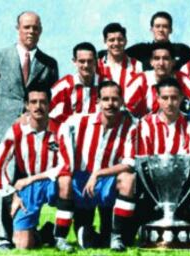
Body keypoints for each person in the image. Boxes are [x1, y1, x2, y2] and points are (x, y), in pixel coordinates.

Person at [0, 11, 58, 250]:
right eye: (26, 27)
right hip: (0, 130)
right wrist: (4, 115)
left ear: (41, 30)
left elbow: (48, 99)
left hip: (32, 136)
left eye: (35, 28)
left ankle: (28, 231)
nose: (31, 32)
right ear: (17, 28)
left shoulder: (48, 63)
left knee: (25, 185)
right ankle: (1, 238)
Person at [111, 77, 190, 251]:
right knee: (126, 178)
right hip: (149, 188)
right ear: (157, 99)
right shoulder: (143, 125)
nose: (170, 103)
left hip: (181, 188)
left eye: (174, 98)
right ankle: (118, 235)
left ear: (182, 98)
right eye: (165, 98)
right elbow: (135, 160)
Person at [55, 80, 137, 249]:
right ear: (97, 102)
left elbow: (129, 163)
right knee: (65, 181)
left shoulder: (130, 125)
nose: (110, 104)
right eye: (105, 99)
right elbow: (58, 127)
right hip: (81, 180)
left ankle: (116, 236)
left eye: (115, 99)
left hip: (107, 181)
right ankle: (60, 237)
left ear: (122, 101)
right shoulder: (78, 122)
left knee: (128, 178)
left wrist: (98, 173)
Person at [0, 84, 73, 252]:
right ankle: (44, 234)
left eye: (43, 102)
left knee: (66, 180)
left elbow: (66, 165)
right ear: (26, 105)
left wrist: (31, 178)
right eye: (33, 102)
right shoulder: (16, 131)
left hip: (51, 182)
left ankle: (60, 237)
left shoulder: (61, 128)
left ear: (50, 104)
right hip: (28, 188)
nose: (38, 106)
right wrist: (12, 196)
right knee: (23, 245)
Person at [125, 42, 190, 123]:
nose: (161, 63)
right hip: (147, 127)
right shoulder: (141, 80)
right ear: (151, 62)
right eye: (157, 58)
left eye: (166, 59)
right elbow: (125, 110)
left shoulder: (181, 78)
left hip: (175, 126)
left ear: (173, 62)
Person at [49, 42, 100, 133]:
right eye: (82, 61)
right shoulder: (63, 87)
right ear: (74, 61)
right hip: (69, 139)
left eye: (90, 61)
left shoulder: (105, 86)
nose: (86, 65)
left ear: (96, 61)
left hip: (97, 140)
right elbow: (47, 116)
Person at [123, 11, 190, 71]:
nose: (161, 30)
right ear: (151, 29)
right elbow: (117, 57)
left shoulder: (181, 49)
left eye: (165, 26)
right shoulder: (140, 50)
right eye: (157, 26)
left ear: (171, 30)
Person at [97, 22, 142, 94]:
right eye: (112, 40)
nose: (116, 43)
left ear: (126, 41)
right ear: (105, 41)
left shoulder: (137, 66)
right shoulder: (97, 66)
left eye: (120, 39)